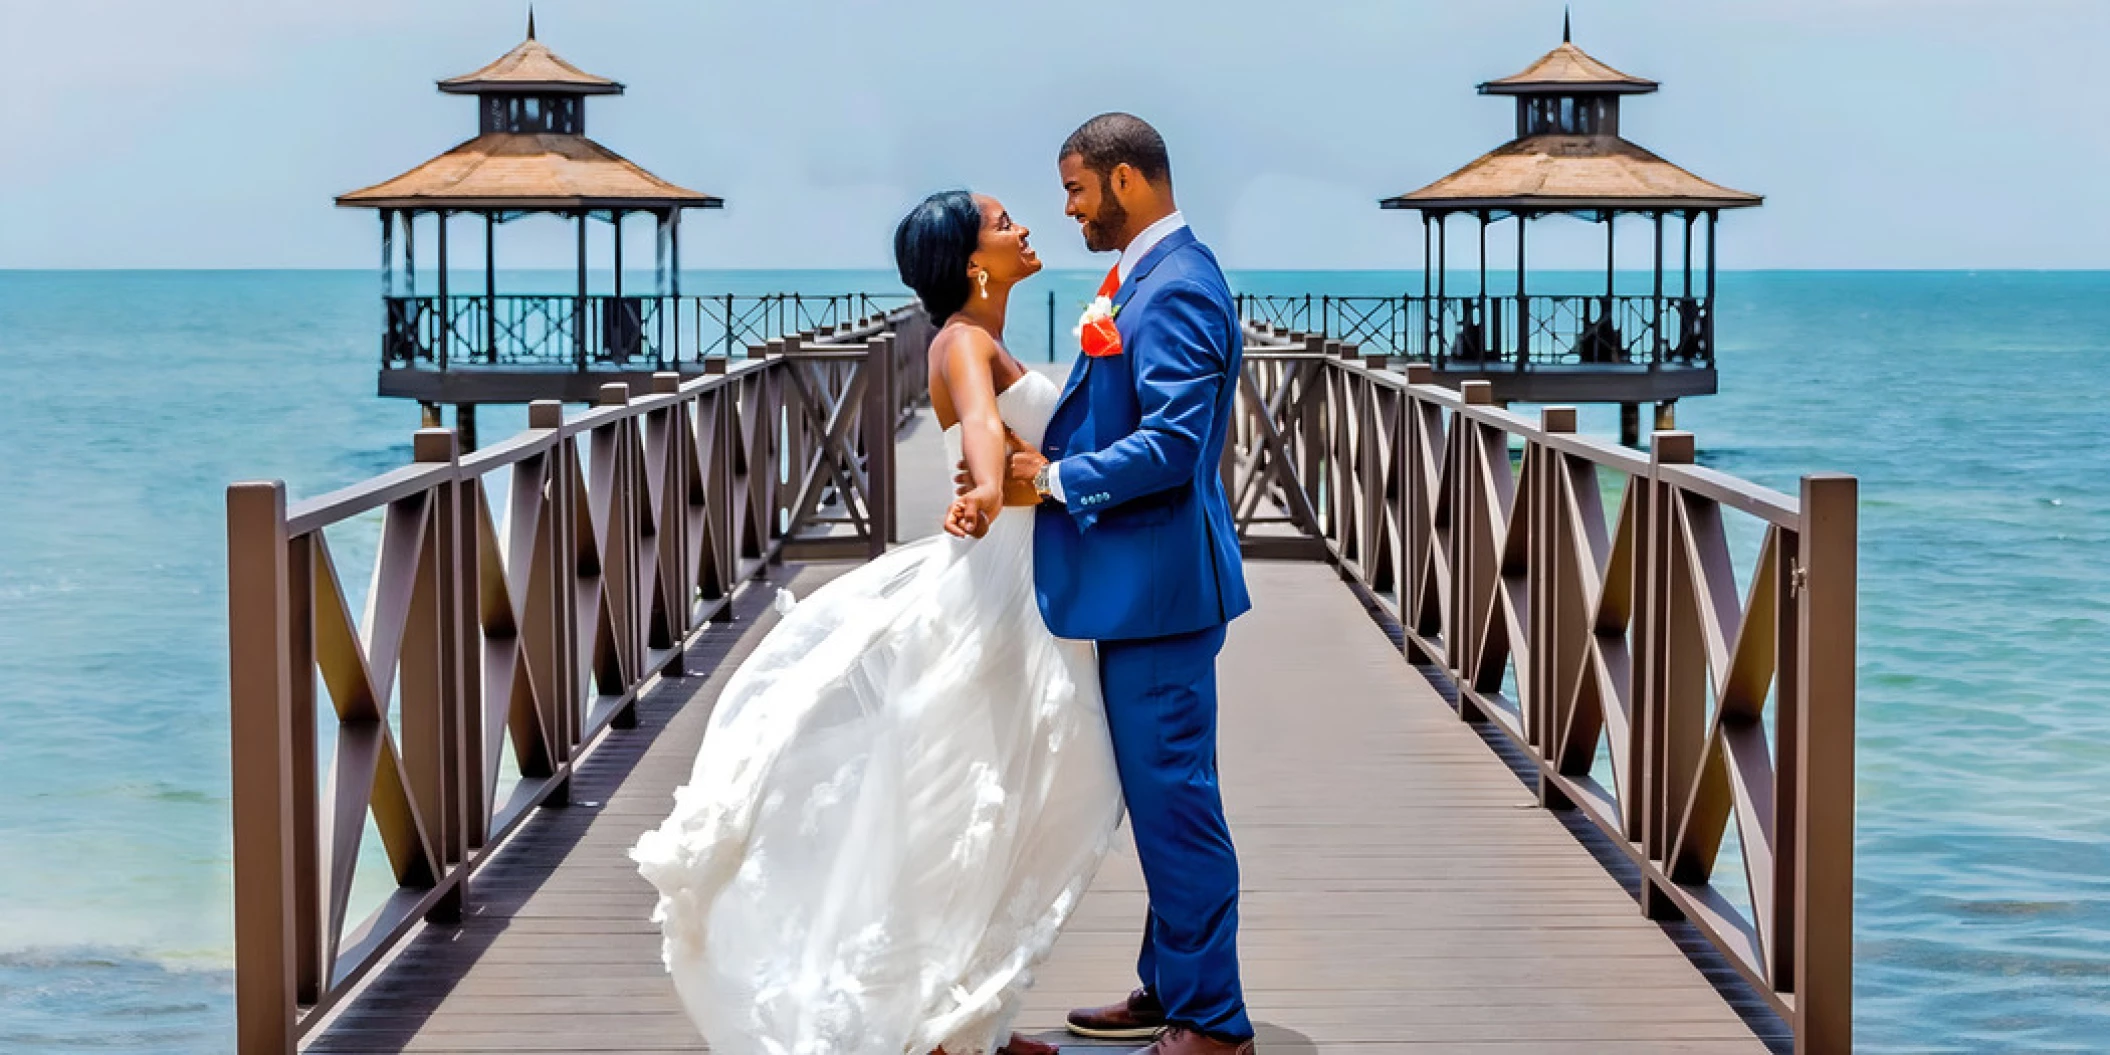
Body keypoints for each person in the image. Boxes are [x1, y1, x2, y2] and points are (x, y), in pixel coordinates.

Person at [631, 188, 1122, 1055]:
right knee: (969, 796)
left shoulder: (982, 337)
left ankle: (967, 1012)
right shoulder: (963, 342)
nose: (1024, 229)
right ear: (973, 261)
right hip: (993, 598)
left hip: (1029, 587)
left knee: (1007, 792)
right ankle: (931, 1021)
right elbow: (978, 429)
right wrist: (978, 487)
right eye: (1004, 224)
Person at [963, 112, 1256, 1055]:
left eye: (1078, 190)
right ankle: (1173, 983)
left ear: (1126, 181)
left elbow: (1172, 447)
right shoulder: (1150, 277)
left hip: (1162, 590)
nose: (1070, 210)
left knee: (1176, 799)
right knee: (1161, 793)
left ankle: (1215, 1021)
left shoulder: (1174, 288)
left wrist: (1049, 480)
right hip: (1143, 586)